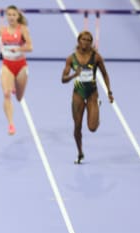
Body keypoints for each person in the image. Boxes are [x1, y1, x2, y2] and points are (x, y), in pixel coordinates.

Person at [61, 31, 113, 164]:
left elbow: (105, 75)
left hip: (91, 94)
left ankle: (97, 106)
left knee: (92, 128)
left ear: (91, 43)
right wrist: (74, 75)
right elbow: (63, 79)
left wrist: (109, 92)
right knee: (77, 126)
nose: (85, 42)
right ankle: (80, 152)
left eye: (88, 40)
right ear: (79, 41)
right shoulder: (71, 59)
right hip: (78, 94)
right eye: (83, 39)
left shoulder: (96, 58)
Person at [0, 5, 33, 135]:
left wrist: (19, 49)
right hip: (7, 65)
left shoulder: (23, 30)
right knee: (6, 94)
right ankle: (11, 124)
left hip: (21, 66)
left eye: (14, 15)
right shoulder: (2, 30)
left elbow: (30, 47)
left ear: (18, 17)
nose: (11, 17)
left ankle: (15, 87)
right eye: (9, 15)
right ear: (7, 17)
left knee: (19, 97)